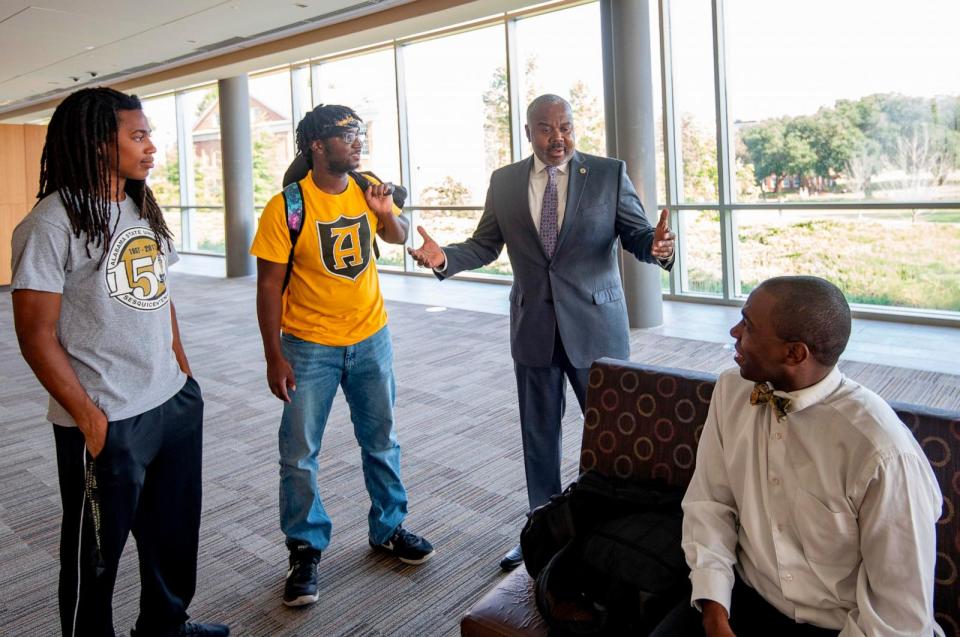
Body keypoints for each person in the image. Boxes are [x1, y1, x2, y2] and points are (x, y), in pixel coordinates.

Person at [408, 94, 675, 570]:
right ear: (529, 132)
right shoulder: (506, 182)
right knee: (538, 435)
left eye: (567, 127)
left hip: (597, 329)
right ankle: (544, 532)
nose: (559, 138)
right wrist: (444, 257)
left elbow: (636, 236)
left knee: (611, 437)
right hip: (533, 326)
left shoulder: (609, 174)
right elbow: (485, 244)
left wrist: (656, 247)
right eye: (548, 129)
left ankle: (611, 533)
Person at [10, 88, 227, 637]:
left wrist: (183, 372)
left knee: (174, 535)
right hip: (108, 417)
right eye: (138, 135)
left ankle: (165, 627)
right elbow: (34, 334)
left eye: (149, 134)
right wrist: (88, 418)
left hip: (170, 401)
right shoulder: (51, 222)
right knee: (94, 560)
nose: (151, 146)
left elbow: (159, 291)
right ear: (96, 142)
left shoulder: (138, 204)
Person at [649, 276, 943, 637]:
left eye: (749, 325)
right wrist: (715, 613)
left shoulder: (882, 452)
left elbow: (899, 615)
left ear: (795, 353)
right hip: (740, 598)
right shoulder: (732, 390)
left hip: (844, 626)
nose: (734, 330)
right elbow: (710, 504)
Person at [251, 104, 434, 608]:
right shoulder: (286, 206)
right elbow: (268, 288)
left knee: (381, 439)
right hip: (309, 346)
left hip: (371, 337)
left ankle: (389, 527)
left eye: (360, 132)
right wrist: (273, 355)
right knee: (299, 453)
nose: (358, 142)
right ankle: (305, 547)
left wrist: (384, 214)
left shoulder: (367, 185)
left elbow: (395, 238)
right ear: (316, 144)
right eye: (347, 134)